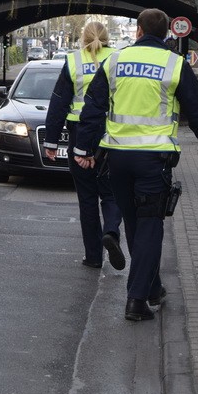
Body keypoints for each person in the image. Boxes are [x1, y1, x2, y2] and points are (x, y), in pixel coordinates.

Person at [72, 8, 198, 322]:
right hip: (153, 160)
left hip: (118, 159)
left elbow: (93, 107)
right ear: (166, 34)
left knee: (136, 226)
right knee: (150, 228)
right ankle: (136, 301)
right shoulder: (174, 64)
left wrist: (83, 147)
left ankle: (152, 289)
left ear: (137, 31)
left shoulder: (114, 61)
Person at [43, 21, 124, 271]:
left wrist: (51, 141)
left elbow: (59, 102)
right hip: (112, 134)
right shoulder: (120, 59)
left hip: (79, 133)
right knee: (111, 192)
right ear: (107, 37)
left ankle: (93, 256)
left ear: (82, 38)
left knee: (87, 198)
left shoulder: (73, 61)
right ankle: (111, 231)